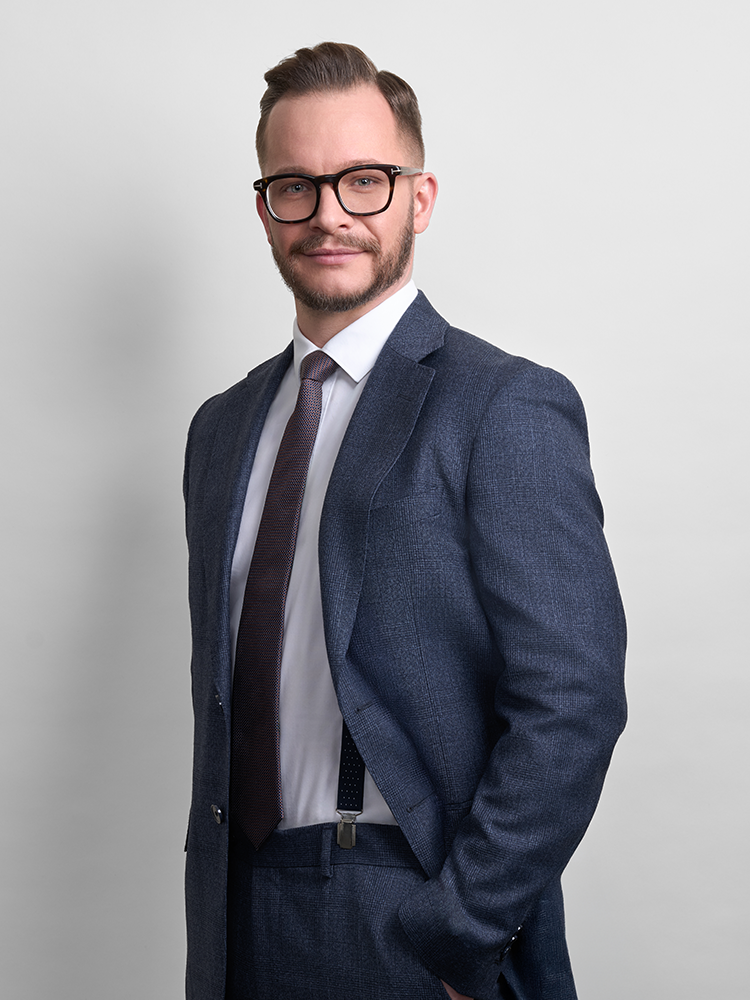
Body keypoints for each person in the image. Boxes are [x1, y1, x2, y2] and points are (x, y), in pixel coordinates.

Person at [183, 42, 627, 1000]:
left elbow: (574, 699)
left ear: (419, 198)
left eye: (364, 181)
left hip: (408, 912)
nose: (329, 214)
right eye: (296, 186)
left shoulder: (500, 405)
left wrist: (462, 929)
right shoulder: (220, 431)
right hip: (234, 918)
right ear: (264, 208)